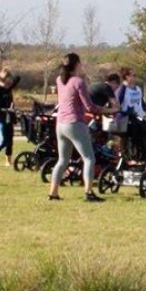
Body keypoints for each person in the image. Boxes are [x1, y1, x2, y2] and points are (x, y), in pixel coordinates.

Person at [48, 53, 116, 202]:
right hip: (75, 123)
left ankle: (53, 193)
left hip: (60, 124)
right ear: (77, 64)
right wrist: (110, 110)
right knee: (89, 158)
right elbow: (89, 107)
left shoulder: (59, 80)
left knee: (62, 160)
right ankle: (88, 192)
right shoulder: (78, 82)